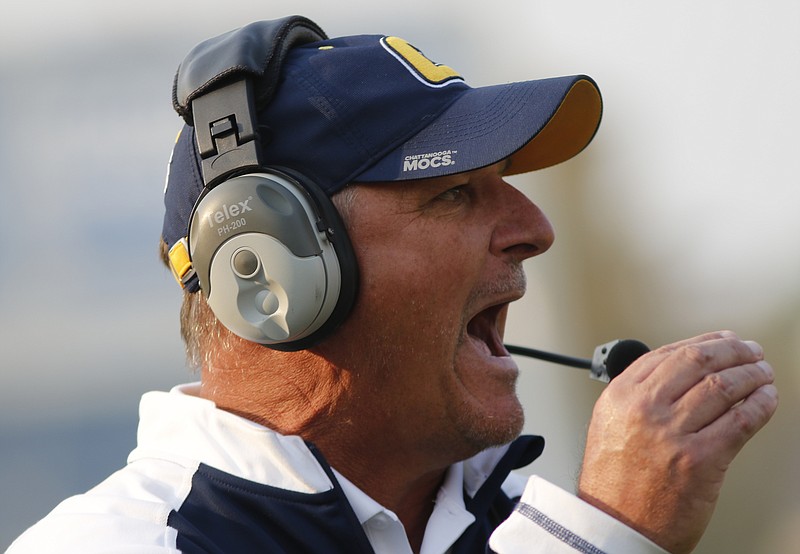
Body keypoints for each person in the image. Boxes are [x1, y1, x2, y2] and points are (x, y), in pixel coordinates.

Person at [7, 15, 778, 554]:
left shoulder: (509, 524)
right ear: (271, 269)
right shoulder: (116, 545)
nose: (535, 229)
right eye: (453, 194)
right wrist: (605, 530)